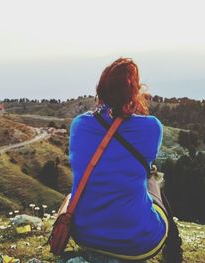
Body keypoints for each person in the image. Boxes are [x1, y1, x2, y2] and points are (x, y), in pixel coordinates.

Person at [68, 58, 181, 262]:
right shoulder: (152, 127)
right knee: (152, 179)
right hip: (138, 243)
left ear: (101, 90)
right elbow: (143, 159)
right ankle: (174, 251)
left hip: (85, 236)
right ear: (134, 92)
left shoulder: (79, 124)